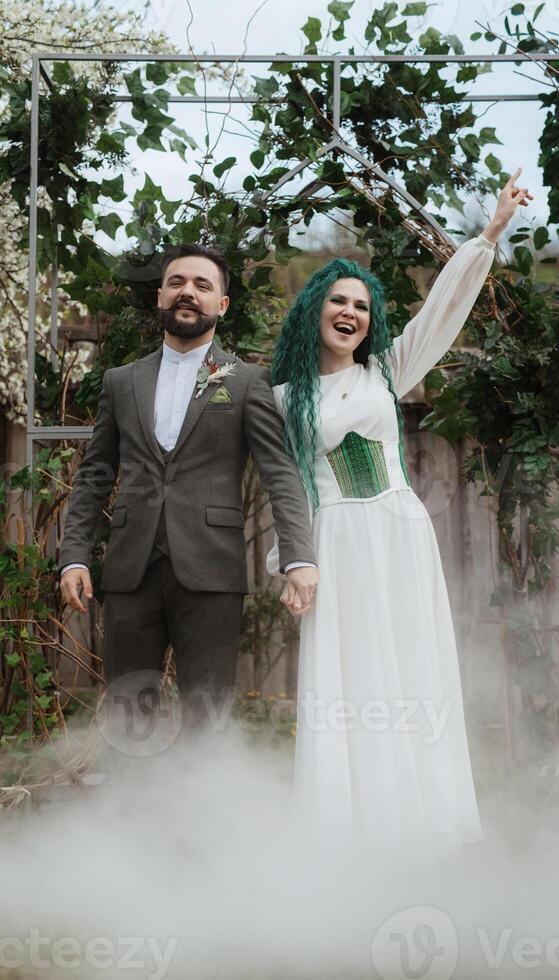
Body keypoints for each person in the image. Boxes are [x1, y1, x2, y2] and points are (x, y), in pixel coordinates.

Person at [266, 169, 533, 865]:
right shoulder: (285, 397)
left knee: (410, 670)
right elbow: (286, 487)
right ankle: (350, 839)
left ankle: (422, 830)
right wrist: (289, 565)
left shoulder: (387, 370)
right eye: (337, 300)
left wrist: (489, 234)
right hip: (338, 543)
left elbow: (441, 311)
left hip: (399, 535)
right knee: (352, 681)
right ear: (314, 311)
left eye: (361, 303)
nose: (350, 311)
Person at [59, 243, 319, 761]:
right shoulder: (120, 381)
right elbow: (93, 475)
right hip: (131, 569)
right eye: (178, 282)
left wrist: (300, 557)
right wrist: (74, 554)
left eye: (203, 285)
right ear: (160, 295)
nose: (188, 293)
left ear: (222, 305)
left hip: (211, 572)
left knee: (208, 714)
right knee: (128, 713)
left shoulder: (247, 383)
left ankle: (203, 831)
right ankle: (133, 827)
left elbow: (280, 474)